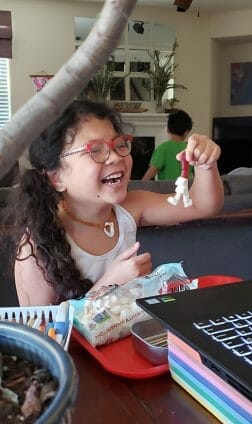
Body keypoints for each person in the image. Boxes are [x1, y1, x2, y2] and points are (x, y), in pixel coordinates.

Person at [3, 100, 223, 306]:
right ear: (57, 177)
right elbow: (41, 336)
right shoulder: (37, 245)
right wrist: (109, 285)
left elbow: (202, 205)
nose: (116, 157)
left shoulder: (131, 207)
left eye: (118, 144)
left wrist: (206, 164)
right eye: (95, 150)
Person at [142, 109, 194, 180]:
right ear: (186, 132)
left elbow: (152, 170)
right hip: (186, 189)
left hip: (166, 190)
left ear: (168, 129)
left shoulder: (163, 148)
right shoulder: (190, 149)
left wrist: (141, 184)